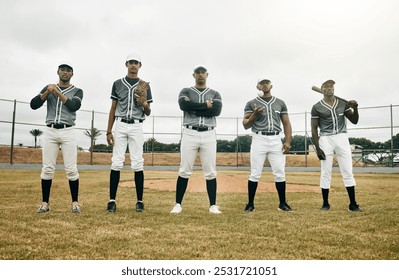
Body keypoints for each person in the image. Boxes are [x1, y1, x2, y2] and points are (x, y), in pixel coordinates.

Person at [30, 62, 83, 214]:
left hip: (68, 131)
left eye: (68, 71)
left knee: (71, 169)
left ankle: (75, 203)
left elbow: (74, 106)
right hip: (50, 131)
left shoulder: (78, 90)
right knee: (47, 168)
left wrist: (57, 92)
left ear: (72, 74)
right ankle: (45, 204)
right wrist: (47, 92)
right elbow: (33, 105)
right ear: (58, 72)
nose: (65, 73)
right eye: (62, 70)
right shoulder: (49, 88)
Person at [170, 66, 223, 214]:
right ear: (193, 75)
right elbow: (183, 105)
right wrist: (206, 105)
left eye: (203, 73)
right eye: (198, 73)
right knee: (185, 169)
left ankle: (213, 205)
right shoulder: (186, 91)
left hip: (209, 133)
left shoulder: (215, 93)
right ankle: (178, 204)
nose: (200, 75)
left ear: (207, 75)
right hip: (190, 132)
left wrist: (193, 109)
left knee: (210, 171)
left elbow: (216, 111)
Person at [106, 53, 153, 213]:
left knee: (138, 162)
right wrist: (108, 131)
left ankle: (140, 201)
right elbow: (113, 108)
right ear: (126, 64)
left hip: (137, 125)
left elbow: (148, 112)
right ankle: (112, 201)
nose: (133, 65)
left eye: (136, 62)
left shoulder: (144, 85)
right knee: (117, 162)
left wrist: (145, 104)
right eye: (131, 62)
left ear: (140, 65)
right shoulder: (117, 83)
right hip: (120, 124)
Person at [242, 78, 293, 212]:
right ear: (257, 86)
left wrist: (287, 141)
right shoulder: (251, 103)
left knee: (280, 173)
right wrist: (254, 114)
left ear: (271, 85)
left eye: (267, 82)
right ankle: (250, 204)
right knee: (255, 173)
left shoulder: (280, 103)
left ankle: (283, 204)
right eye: (262, 83)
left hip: (276, 139)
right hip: (259, 138)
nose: (265, 85)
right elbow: (245, 125)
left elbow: (286, 123)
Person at [311, 79, 361, 212]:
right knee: (325, 172)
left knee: (347, 171)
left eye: (332, 86)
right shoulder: (317, 107)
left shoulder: (343, 104)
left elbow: (354, 120)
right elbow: (314, 129)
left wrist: (355, 109)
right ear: (322, 89)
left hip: (342, 136)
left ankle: (353, 204)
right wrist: (317, 147)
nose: (330, 88)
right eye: (326, 86)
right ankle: (325, 204)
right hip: (325, 138)